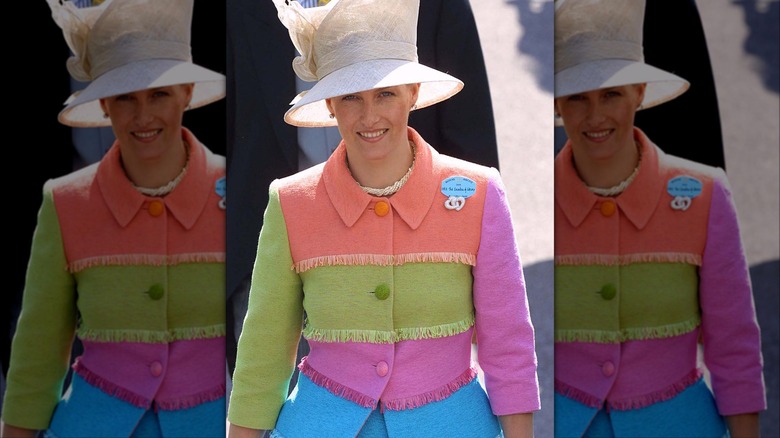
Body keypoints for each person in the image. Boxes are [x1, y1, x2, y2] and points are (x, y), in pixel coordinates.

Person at [227, 0, 540, 436]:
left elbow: (508, 344)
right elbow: (263, 352)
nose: (369, 115)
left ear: (413, 93)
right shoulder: (290, 201)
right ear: (330, 104)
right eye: (351, 97)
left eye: (386, 93)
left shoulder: (481, 193)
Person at [0, 0, 226, 436]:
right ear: (104, 104)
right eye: (125, 98)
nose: (143, 116)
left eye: (159, 93)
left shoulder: (239, 193)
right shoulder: (64, 202)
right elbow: (39, 354)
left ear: (187, 93)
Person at [552, 0, 766, 437]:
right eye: (577, 98)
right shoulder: (527, 203)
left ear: (639, 93)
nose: (595, 116)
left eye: (611, 93)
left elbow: (734, 346)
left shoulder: (706, 195)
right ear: (557, 105)